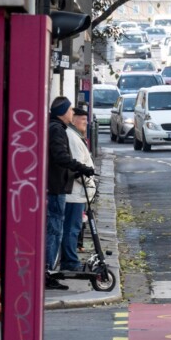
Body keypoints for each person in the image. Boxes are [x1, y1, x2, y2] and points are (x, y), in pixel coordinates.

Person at [46, 97, 95, 290]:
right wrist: (80, 168)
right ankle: (48, 272)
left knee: (57, 229)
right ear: (63, 112)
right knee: (56, 230)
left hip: (60, 187)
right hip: (59, 188)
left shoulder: (58, 128)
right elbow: (62, 157)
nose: (72, 114)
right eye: (70, 111)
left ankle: (50, 269)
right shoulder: (58, 129)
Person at [61, 107, 97, 272]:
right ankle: (69, 260)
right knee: (72, 228)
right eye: (83, 119)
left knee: (73, 227)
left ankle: (70, 258)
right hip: (75, 194)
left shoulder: (75, 136)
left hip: (78, 194)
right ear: (74, 119)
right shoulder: (72, 137)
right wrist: (88, 180)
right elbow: (76, 166)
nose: (86, 123)